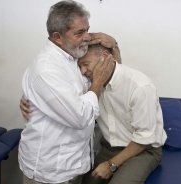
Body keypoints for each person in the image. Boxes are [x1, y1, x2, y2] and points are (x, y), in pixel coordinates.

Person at [19, 1, 117, 184]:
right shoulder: (47, 69)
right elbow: (80, 117)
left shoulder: (73, 55)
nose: (87, 37)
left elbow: (114, 74)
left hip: (73, 164)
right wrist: (97, 83)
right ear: (57, 37)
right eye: (79, 33)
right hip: (51, 173)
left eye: (87, 29)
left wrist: (114, 45)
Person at [78, 44, 167, 184]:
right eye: (79, 66)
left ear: (105, 58)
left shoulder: (139, 86)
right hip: (109, 148)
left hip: (143, 151)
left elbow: (145, 138)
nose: (83, 71)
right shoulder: (89, 84)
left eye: (85, 64)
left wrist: (111, 165)